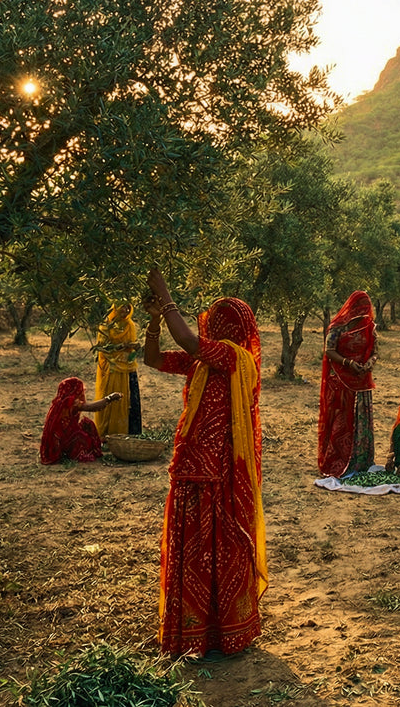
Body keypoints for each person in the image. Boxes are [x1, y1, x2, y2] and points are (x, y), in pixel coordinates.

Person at [143, 269, 267, 658]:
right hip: (192, 467)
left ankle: (224, 631)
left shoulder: (232, 357)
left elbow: (186, 339)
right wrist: (153, 321)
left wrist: (165, 296)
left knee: (218, 547)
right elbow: (152, 358)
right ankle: (195, 631)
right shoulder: (202, 362)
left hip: (220, 472)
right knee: (195, 548)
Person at [318, 291, 377, 477]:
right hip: (341, 380)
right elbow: (329, 350)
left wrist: (370, 363)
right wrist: (348, 363)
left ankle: (360, 460)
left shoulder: (369, 327)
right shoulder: (338, 327)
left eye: (366, 308)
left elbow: (375, 351)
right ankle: (338, 459)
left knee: (361, 418)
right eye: (360, 308)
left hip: (362, 380)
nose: (363, 312)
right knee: (341, 419)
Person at [40, 377, 123, 465]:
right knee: (82, 437)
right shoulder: (69, 402)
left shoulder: (59, 401)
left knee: (87, 424)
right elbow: (91, 407)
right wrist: (110, 398)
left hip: (60, 436)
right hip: (61, 438)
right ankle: (76, 453)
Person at [94, 303, 142, 438]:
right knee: (112, 400)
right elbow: (102, 347)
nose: (126, 310)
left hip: (128, 367)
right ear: (115, 308)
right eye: (123, 307)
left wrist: (135, 347)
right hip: (112, 368)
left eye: (128, 307)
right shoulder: (106, 325)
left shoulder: (130, 325)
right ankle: (110, 433)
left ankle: (130, 435)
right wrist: (122, 346)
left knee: (130, 401)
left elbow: (132, 348)